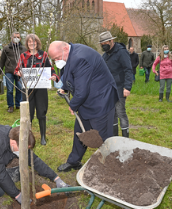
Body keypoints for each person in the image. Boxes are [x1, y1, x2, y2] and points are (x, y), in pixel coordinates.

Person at [48, 41, 118, 172]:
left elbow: (82, 91)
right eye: (54, 59)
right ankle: (74, 161)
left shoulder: (80, 58)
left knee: (102, 136)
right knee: (80, 131)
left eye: (57, 57)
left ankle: (109, 165)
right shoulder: (69, 54)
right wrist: (65, 88)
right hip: (87, 99)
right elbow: (70, 74)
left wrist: (73, 105)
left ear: (64, 49)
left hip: (101, 99)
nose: (57, 61)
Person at [14, 34, 59, 146]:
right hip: (28, 89)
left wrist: (54, 76)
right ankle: (28, 137)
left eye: (33, 41)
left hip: (41, 88)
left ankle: (43, 136)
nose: (31, 43)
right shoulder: (23, 56)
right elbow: (16, 70)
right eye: (29, 42)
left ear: (37, 43)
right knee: (28, 113)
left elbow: (51, 69)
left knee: (41, 112)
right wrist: (18, 73)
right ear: (27, 44)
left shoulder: (44, 55)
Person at [99, 31, 133, 138]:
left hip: (120, 87)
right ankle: (114, 137)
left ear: (111, 41)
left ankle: (125, 138)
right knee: (111, 113)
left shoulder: (121, 52)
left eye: (106, 43)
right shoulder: (105, 56)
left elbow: (128, 70)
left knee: (120, 112)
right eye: (102, 44)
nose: (104, 46)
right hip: (108, 89)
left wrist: (127, 87)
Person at [0, 32, 26, 113]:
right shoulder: (6, 48)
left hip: (20, 72)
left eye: (18, 37)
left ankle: (18, 104)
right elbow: (2, 61)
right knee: (10, 89)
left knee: (19, 88)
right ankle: (10, 106)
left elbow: (26, 61)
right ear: (11, 38)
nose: (16, 38)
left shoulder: (23, 49)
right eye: (15, 37)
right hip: (9, 71)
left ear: (20, 38)